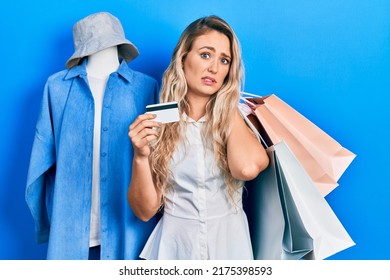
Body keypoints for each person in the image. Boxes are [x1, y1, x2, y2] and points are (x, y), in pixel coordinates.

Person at [127, 15, 269, 260]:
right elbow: (144, 211)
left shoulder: (240, 119)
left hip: (230, 247)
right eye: (205, 54)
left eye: (224, 60)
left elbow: (246, 168)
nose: (214, 68)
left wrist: (228, 101)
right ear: (183, 60)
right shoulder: (160, 122)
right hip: (175, 248)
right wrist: (141, 155)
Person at [25, 12, 158, 259]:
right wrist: (47, 225)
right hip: (69, 229)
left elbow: (160, 161)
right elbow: (40, 162)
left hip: (130, 229)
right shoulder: (56, 88)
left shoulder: (146, 87)